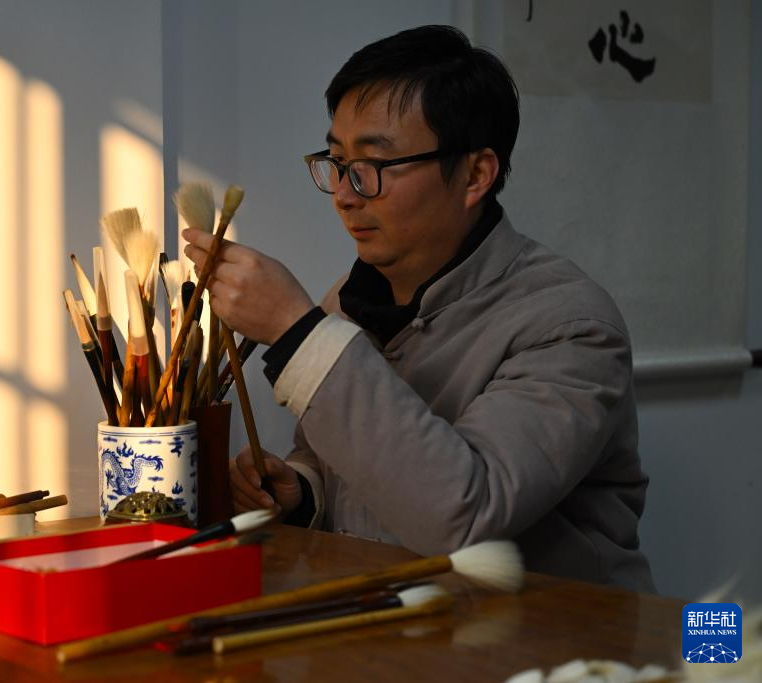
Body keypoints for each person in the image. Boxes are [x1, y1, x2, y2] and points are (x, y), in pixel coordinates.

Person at [183, 25, 654, 591]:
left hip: (552, 635)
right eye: (338, 161)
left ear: (475, 175)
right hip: (398, 624)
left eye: (375, 164)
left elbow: (465, 514)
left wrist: (296, 332)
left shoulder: (569, 324)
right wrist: (303, 491)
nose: (345, 194)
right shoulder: (349, 299)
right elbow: (347, 463)